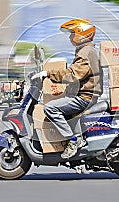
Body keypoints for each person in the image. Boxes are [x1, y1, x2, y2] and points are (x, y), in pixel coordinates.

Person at [31, 18, 102, 159]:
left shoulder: (86, 52)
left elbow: (74, 75)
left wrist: (48, 74)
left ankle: (74, 141)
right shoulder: (85, 50)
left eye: (72, 33)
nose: (70, 37)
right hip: (83, 94)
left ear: (81, 33)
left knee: (51, 108)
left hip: (84, 97)